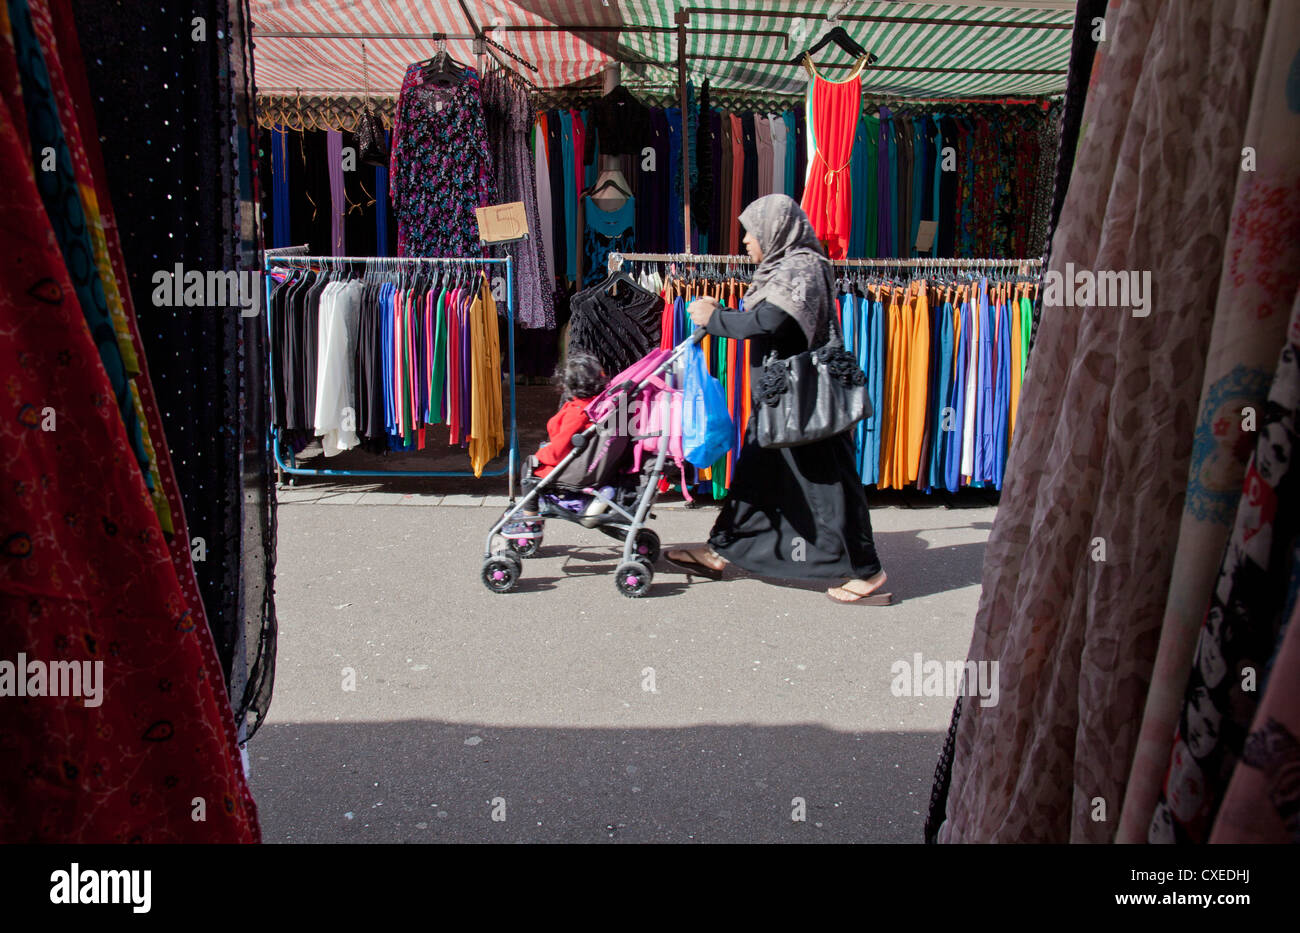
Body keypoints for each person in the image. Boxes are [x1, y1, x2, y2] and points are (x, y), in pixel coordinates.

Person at [664, 194, 889, 605]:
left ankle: (867, 570)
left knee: (830, 486)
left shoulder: (801, 266)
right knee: (755, 474)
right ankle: (718, 550)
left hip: (805, 401)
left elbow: (769, 322)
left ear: (775, 230)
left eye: (751, 231)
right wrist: (722, 313)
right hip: (782, 396)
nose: (746, 241)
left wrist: (713, 319)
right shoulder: (786, 267)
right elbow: (769, 319)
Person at [504, 352, 607, 537]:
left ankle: (530, 520)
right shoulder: (594, 404)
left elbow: (559, 450)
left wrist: (540, 455)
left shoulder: (577, 412)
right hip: (581, 458)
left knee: (529, 469)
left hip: (571, 464)